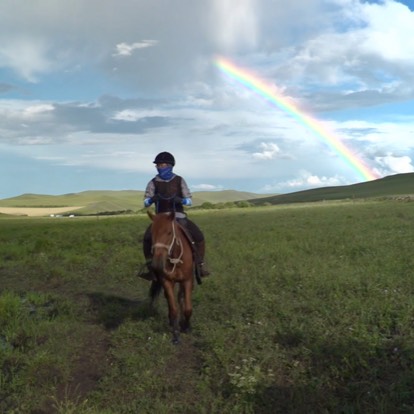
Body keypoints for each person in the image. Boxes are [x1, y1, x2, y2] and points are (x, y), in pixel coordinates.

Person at [138, 151, 210, 280]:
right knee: (148, 238)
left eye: (163, 165)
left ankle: (199, 265)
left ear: (170, 165)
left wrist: (181, 200)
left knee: (198, 236)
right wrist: (153, 198)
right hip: (160, 218)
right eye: (158, 165)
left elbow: (189, 201)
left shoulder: (179, 180)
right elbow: (145, 203)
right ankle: (151, 268)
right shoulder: (152, 182)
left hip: (178, 216)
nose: (160, 167)